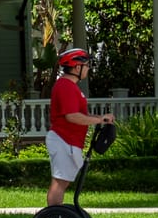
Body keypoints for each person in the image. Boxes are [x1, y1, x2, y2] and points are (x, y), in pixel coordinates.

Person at [47, 47, 117, 208]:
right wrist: (99, 119)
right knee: (60, 181)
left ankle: (57, 216)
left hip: (69, 140)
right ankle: (54, 217)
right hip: (63, 138)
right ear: (77, 67)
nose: (88, 69)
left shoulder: (70, 86)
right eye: (86, 66)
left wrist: (100, 119)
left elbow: (78, 114)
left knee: (62, 181)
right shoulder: (66, 86)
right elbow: (72, 116)